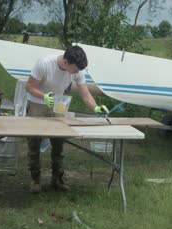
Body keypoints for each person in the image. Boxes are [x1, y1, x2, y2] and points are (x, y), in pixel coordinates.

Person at [25, 45, 109, 193]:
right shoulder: (44, 64)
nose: (77, 73)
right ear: (66, 62)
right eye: (75, 69)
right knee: (34, 141)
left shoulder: (76, 70)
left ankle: (57, 179)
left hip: (58, 103)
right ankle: (35, 179)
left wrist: (96, 108)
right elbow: (29, 86)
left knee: (59, 142)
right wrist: (43, 97)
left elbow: (85, 94)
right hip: (37, 102)